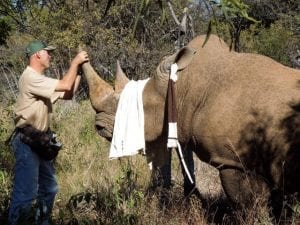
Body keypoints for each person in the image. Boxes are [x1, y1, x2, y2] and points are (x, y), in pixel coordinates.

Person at [8, 40, 89, 225]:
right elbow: (65, 85)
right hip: (27, 142)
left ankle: (42, 222)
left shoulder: (39, 80)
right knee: (25, 195)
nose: (50, 56)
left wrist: (77, 71)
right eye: (47, 53)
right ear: (37, 55)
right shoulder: (30, 77)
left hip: (40, 141)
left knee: (50, 189)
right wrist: (74, 63)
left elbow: (68, 93)